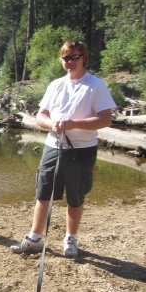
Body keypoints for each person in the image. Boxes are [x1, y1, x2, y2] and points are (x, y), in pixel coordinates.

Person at [10, 40, 115, 258]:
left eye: (74, 57)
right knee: (43, 193)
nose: (69, 62)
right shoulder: (56, 85)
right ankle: (35, 238)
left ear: (84, 58)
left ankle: (70, 239)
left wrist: (74, 124)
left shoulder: (95, 85)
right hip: (53, 146)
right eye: (65, 58)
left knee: (75, 197)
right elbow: (41, 116)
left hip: (82, 149)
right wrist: (53, 125)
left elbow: (105, 119)